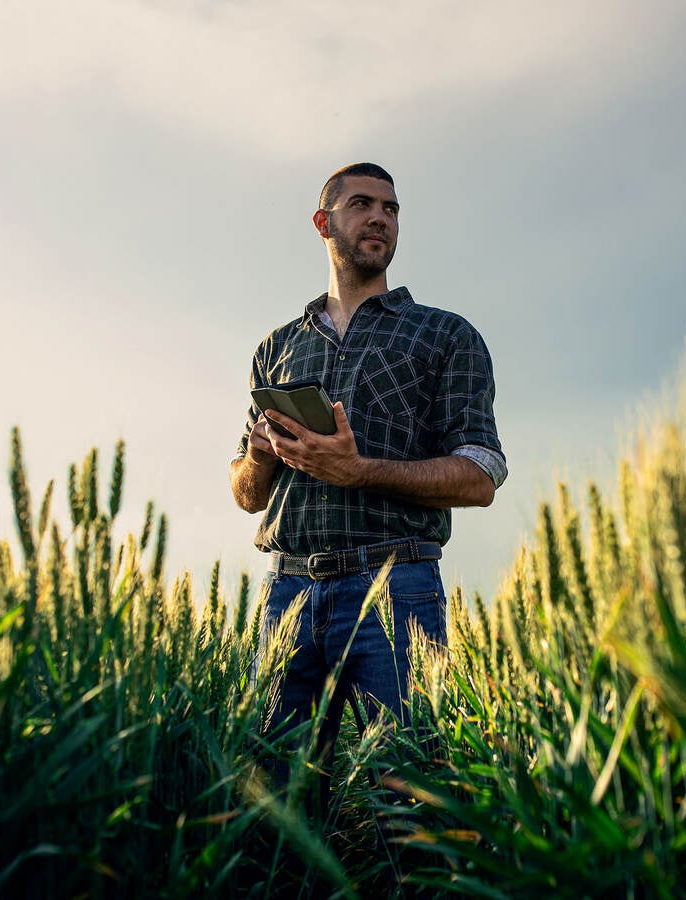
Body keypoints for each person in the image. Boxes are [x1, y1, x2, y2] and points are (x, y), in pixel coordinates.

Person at [229, 162, 506, 796]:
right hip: (288, 595)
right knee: (272, 805)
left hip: (397, 586)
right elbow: (246, 495)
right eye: (362, 204)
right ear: (325, 224)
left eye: (392, 208)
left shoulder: (444, 334)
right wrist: (264, 455)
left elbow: (479, 475)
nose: (380, 217)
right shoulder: (277, 347)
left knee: (407, 803)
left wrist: (358, 471)